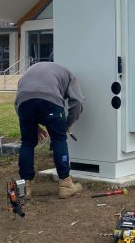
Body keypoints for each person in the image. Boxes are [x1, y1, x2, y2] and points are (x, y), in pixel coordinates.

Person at [15, 61, 86, 199]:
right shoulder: (69, 75)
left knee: (27, 143)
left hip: (24, 104)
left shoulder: (31, 70)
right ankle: (66, 185)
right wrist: (68, 123)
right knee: (59, 139)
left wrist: (33, 125)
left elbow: (20, 101)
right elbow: (77, 101)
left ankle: (23, 189)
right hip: (50, 103)